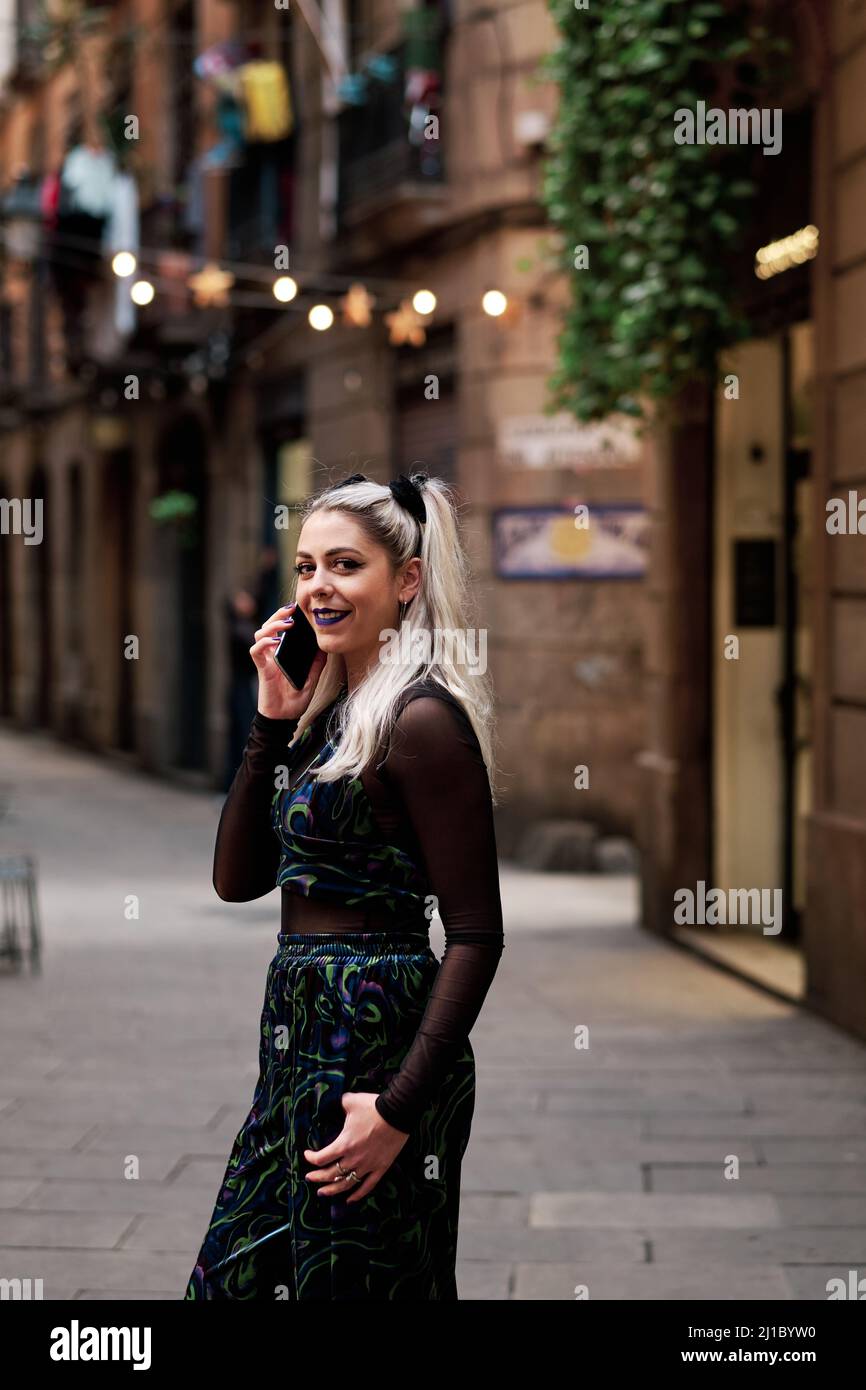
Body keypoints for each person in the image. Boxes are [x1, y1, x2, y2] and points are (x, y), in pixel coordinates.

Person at [184, 471, 505, 1301]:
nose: (318, 586)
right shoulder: (328, 715)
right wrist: (268, 724)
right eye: (305, 567)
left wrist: (398, 1112)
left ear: (406, 581)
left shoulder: (422, 720)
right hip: (295, 1038)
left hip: (376, 1045)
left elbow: (475, 935)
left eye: (344, 565)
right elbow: (237, 880)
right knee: (241, 1278)